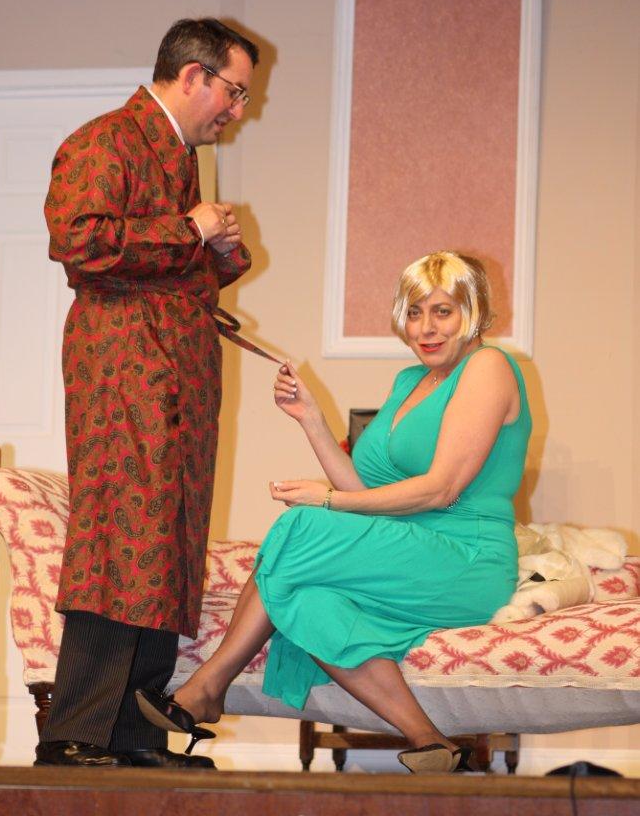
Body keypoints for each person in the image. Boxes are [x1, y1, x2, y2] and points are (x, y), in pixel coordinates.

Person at [136, 251, 532, 774]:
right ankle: (430, 740)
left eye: (443, 311)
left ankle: (209, 684)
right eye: (415, 313)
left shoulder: (488, 367)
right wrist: (312, 421)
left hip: (466, 559)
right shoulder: (410, 382)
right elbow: (368, 493)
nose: (426, 328)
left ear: (473, 312)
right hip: (408, 552)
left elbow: (439, 491)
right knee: (308, 600)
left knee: (301, 524)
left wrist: (326, 500)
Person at [36, 18, 260, 768]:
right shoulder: (106, 141)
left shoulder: (176, 157)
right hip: (125, 375)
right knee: (120, 544)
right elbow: (77, 240)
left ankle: (133, 739)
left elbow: (164, 264)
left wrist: (216, 251)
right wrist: (188, 228)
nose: (239, 110)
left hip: (175, 381)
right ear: (193, 75)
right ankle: (74, 735)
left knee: (166, 551)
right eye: (234, 92)